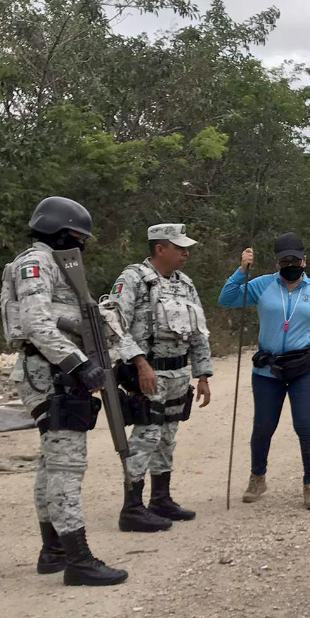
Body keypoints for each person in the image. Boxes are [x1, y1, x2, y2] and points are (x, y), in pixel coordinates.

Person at [1, 196, 127, 586]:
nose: (82, 245)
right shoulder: (36, 263)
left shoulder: (49, 263)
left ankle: (53, 550)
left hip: (51, 373)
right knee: (66, 467)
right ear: (61, 233)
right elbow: (37, 322)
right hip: (50, 374)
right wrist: (78, 364)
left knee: (50, 464)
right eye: (77, 237)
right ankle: (78, 559)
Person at [218, 233, 310, 510]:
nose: (290, 264)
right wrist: (242, 270)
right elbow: (226, 299)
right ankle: (257, 477)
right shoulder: (262, 285)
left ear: (304, 260)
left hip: (304, 368)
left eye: (295, 259)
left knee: (305, 425)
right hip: (268, 370)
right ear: (276, 263)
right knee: (263, 427)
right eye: (284, 260)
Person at [103, 223, 213, 533]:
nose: (185, 253)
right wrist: (138, 362)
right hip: (149, 371)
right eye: (179, 248)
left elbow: (198, 330)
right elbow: (113, 322)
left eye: (186, 248)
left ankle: (161, 499)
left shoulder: (185, 284)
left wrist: (202, 373)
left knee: (167, 437)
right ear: (159, 248)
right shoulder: (134, 279)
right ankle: (132, 508)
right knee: (146, 437)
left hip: (178, 373)